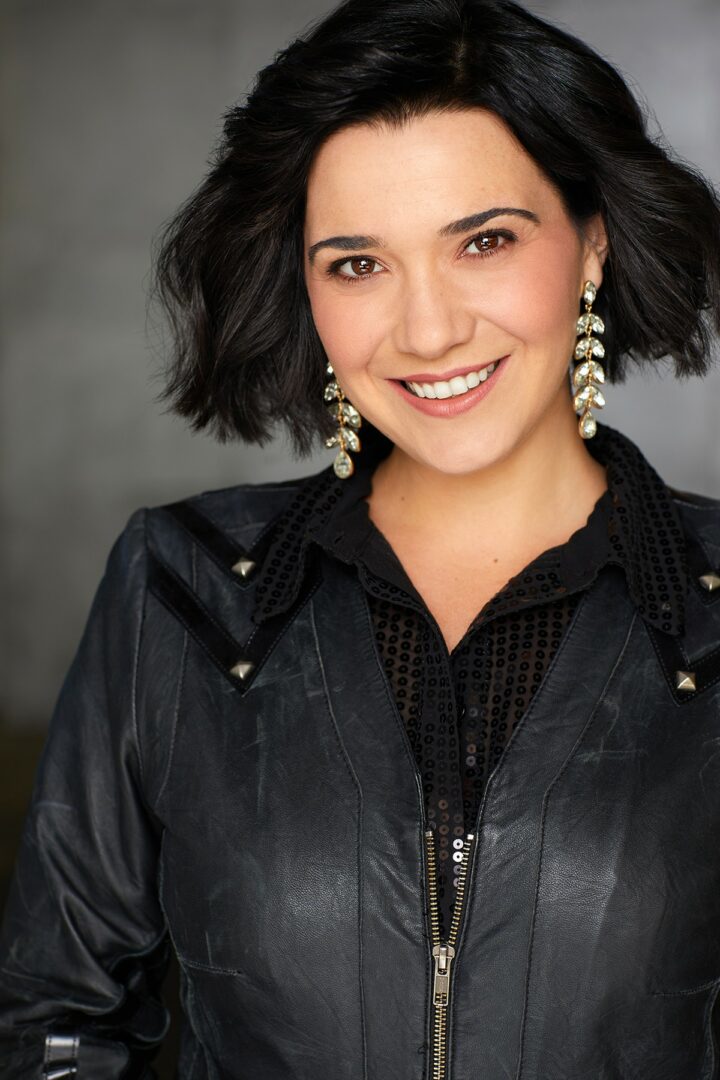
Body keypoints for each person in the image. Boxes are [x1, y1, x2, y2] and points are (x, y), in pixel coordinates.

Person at [2, 0, 720, 1076]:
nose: (428, 329)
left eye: (484, 241)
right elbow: (56, 1024)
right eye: (357, 264)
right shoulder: (180, 591)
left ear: (593, 243)